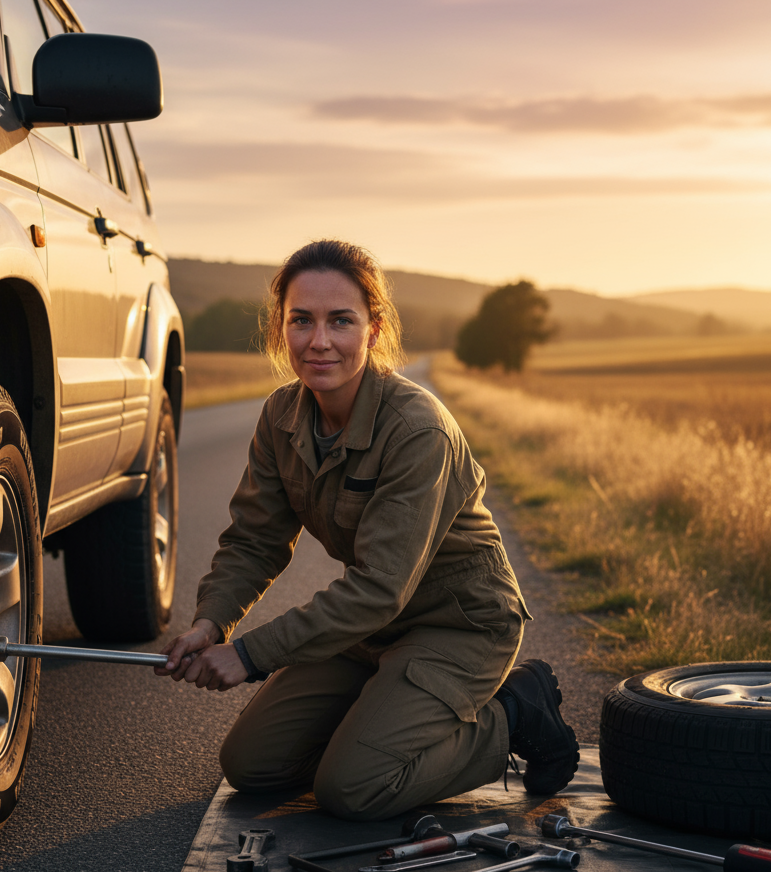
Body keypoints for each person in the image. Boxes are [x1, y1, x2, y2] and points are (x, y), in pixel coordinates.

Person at [156, 240, 579, 820]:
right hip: (373, 629)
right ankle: (383, 718)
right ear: (281, 329)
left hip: (460, 625)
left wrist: (250, 655)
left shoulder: (417, 428)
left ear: (373, 330)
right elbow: (255, 539)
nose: (319, 341)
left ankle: (512, 712)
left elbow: (381, 586)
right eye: (301, 320)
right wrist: (212, 622)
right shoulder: (280, 416)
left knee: (353, 788)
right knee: (252, 766)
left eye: (341, 321)